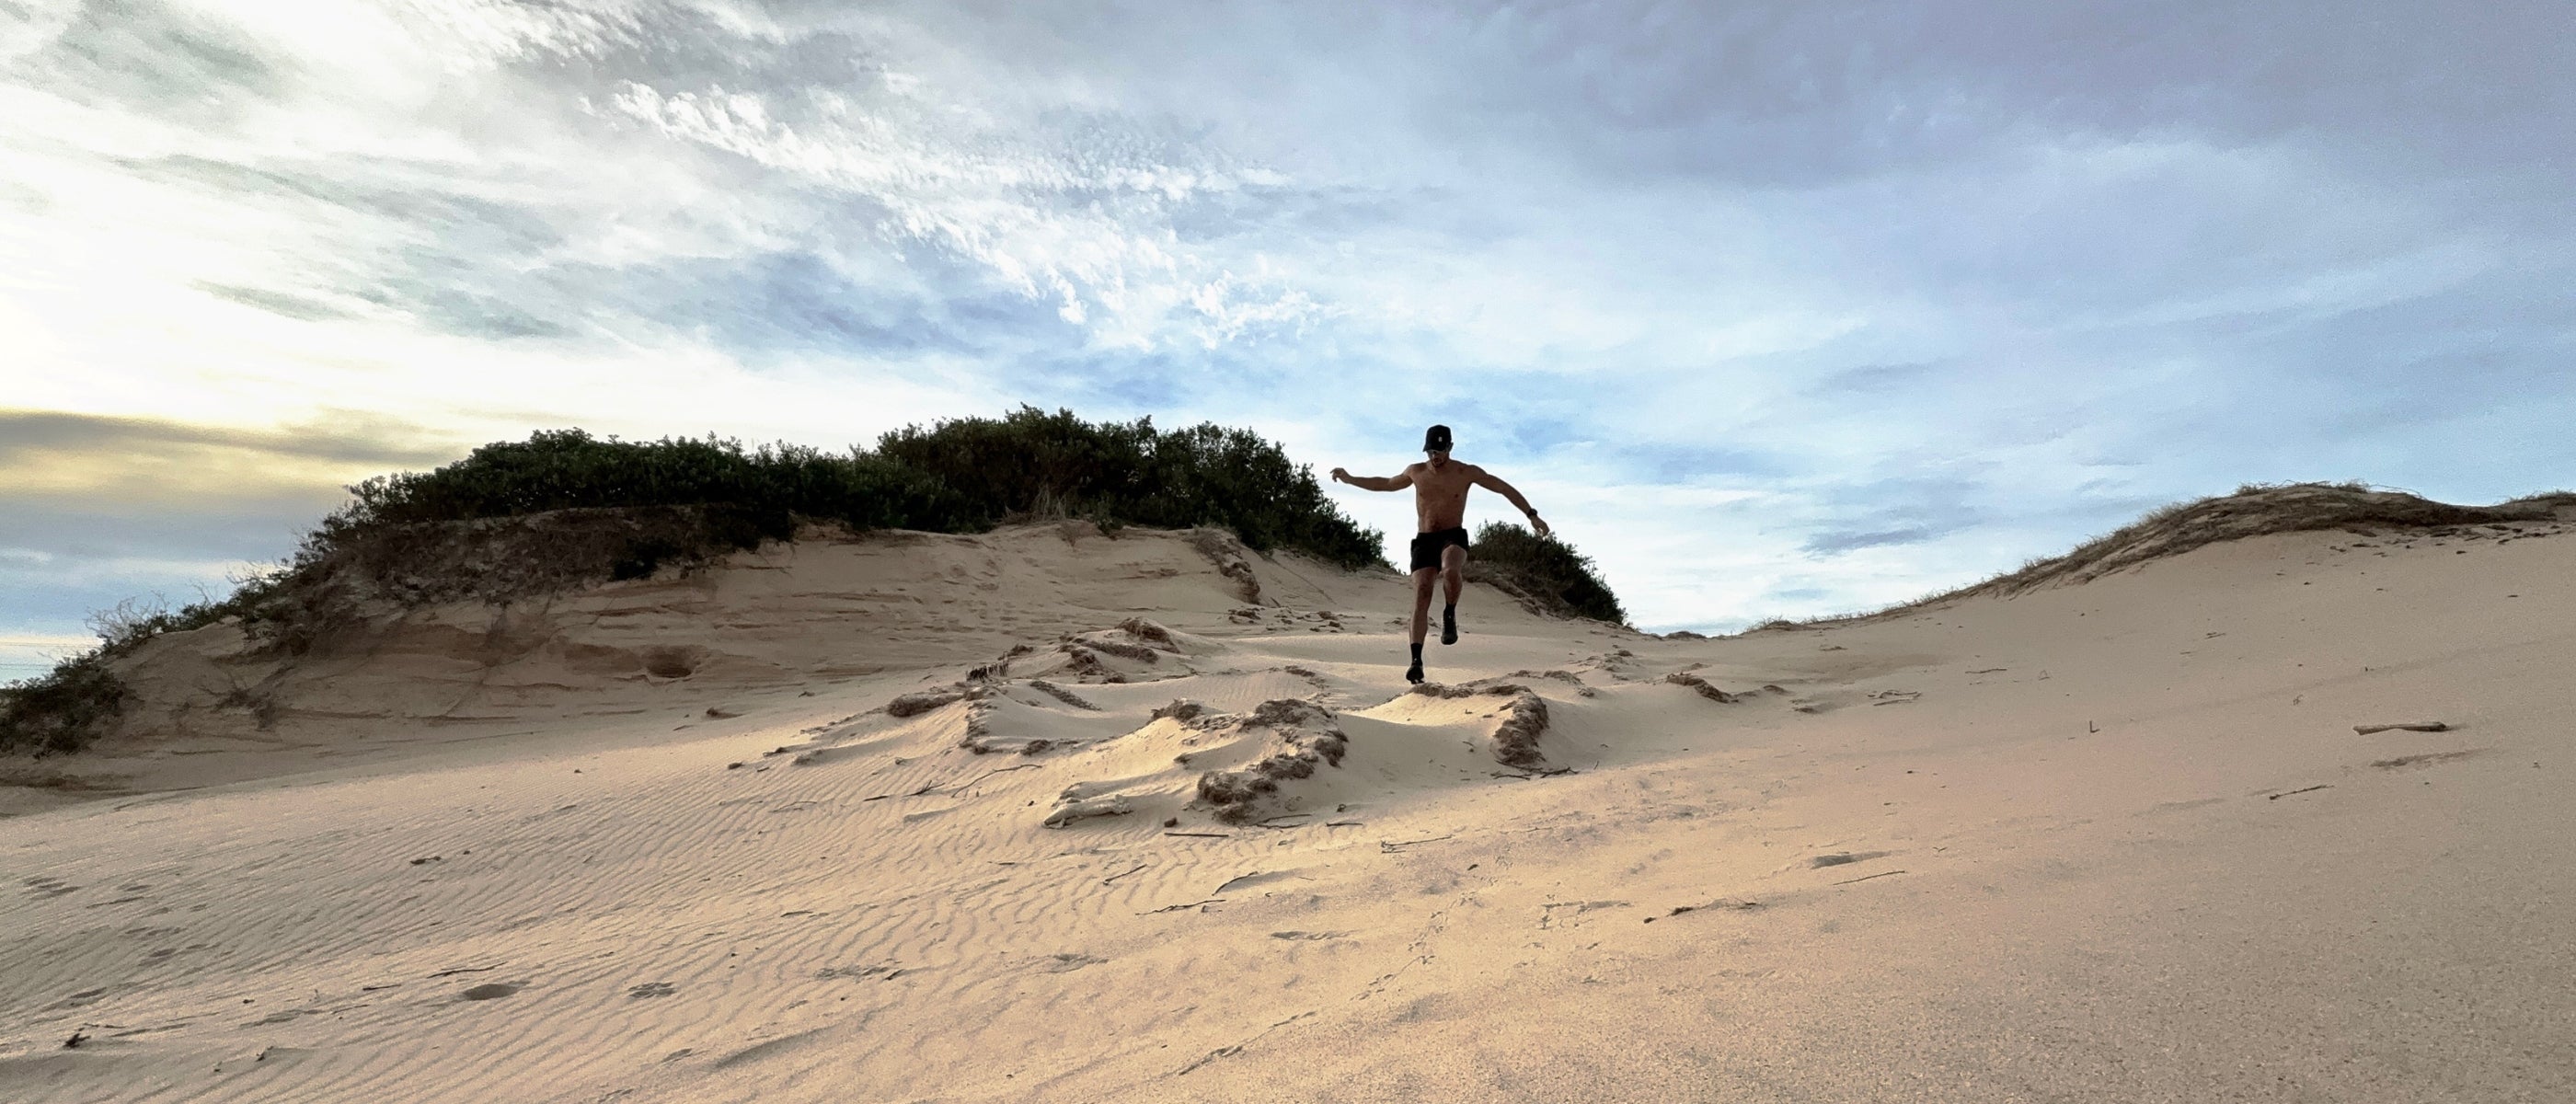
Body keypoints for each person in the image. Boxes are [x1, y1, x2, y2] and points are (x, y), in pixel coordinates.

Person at [1330, 424, 1549, 684]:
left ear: (1450, 448)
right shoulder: (1416, 472)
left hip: (1453, 536)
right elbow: (1385, 484)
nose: (1436, 456)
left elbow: (1502, 487)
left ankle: (1449, 612)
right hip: (1424, 540)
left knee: (1450, 569)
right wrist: (1350, 478)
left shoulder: (1464, 472)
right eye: (1432, 451)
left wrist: (1532, 515)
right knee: (1422, 592)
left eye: (1441, 450)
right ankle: (1416, 661)